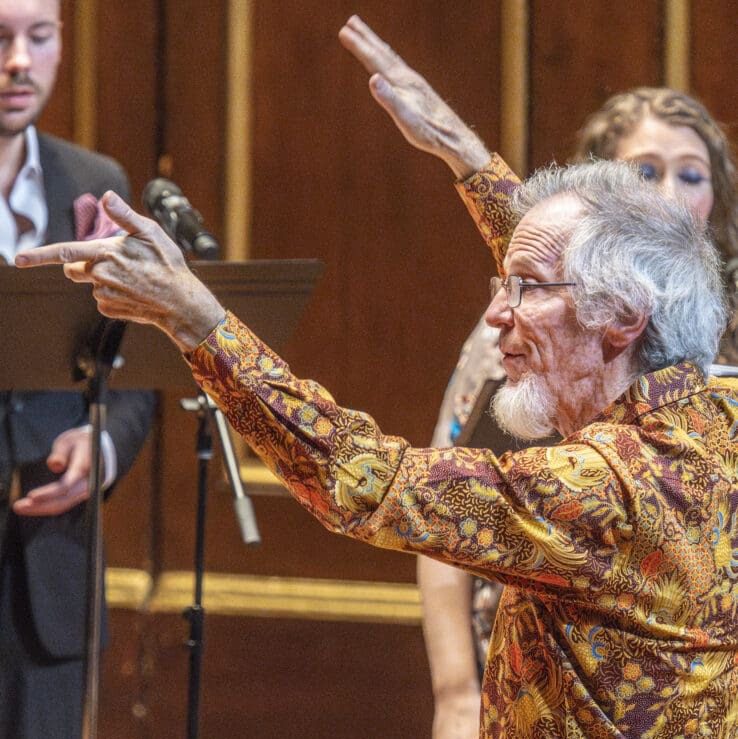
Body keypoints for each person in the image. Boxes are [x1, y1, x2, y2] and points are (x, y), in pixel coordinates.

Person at [18, 151, 738, 736]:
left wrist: (195, 316)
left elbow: (361, 477)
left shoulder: (603, 487)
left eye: (521, 287)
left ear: (621, 317)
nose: (495, 314)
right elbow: (592, 255)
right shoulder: (719, 416)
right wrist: (464, 157)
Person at [337, 16, 738, 737]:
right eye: (644, 175)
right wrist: (456, 691)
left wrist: (200, 326)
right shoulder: (546, 317)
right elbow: (566, 276)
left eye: (690, 173)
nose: (670, 195)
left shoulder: (643, 441)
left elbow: (384, 481)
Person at [0, 2, 155, 737]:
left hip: (50, 575)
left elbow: (131, 366)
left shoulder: (97, 183)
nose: (19, 61)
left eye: (39, 36)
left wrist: (106, 445)